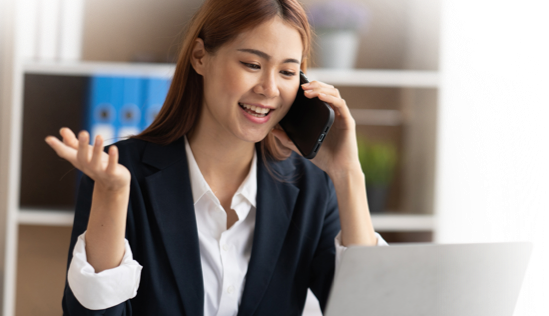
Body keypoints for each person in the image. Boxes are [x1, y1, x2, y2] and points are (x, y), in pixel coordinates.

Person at [45, 0, 388, 315]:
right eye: (252, 64)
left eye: (286, 72)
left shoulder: (311, 188)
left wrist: (347, 174)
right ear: (199, 57)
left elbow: (367, 310)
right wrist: (113, 196)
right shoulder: (118, 174)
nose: (269, 89)